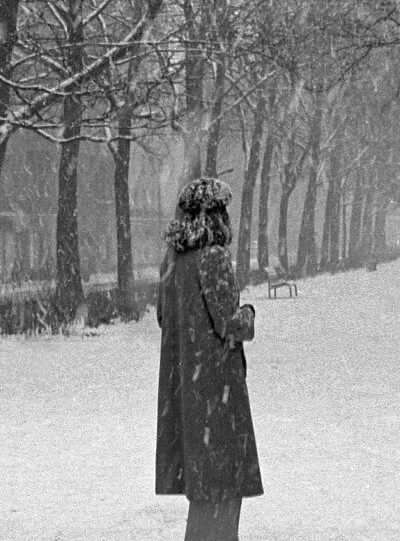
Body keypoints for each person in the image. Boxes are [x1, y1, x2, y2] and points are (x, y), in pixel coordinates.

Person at [156, 177, 260, 541]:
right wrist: (248, 312)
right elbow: (229, 322)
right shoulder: (213, 258)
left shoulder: (172, 262)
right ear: (215, 216)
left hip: (187, 388)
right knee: (224, 493)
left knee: (204, 495)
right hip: (217, 392)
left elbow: (163, 319)